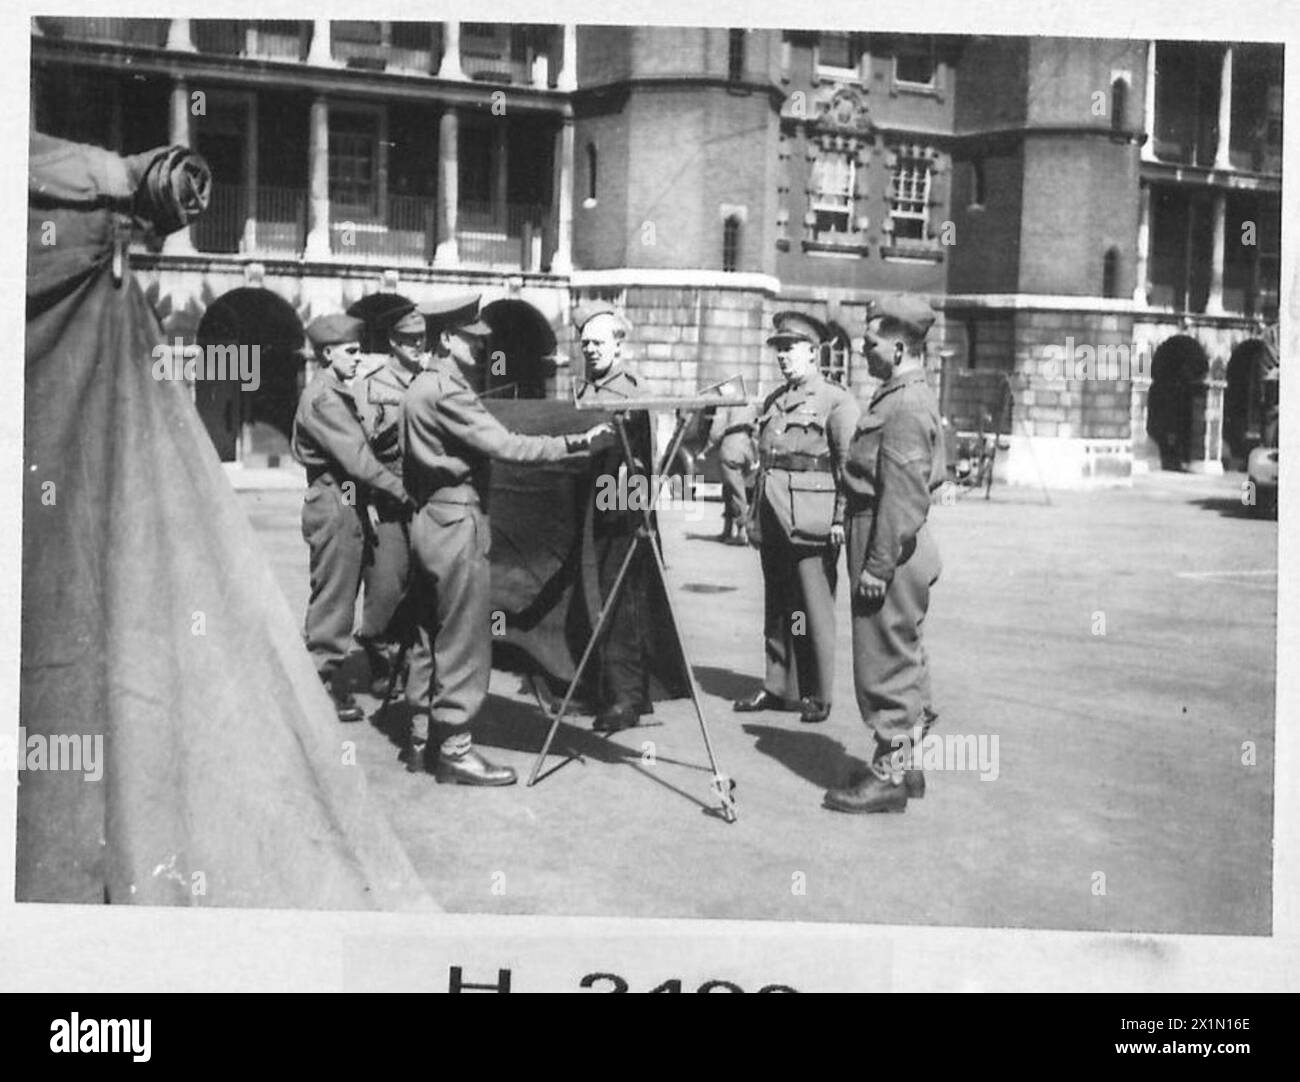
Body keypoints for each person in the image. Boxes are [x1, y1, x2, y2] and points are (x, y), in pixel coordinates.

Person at [401, 294, 611, 786]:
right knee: (465, 638)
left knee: (428, 635)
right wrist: (574, 443)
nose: (479, 348)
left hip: (428, 518)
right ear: (447, 339)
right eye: (471, 340)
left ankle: (418, 739)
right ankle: (455, 750)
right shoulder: (449, 391)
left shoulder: (419, 384)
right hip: (457, 523)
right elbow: (506, 445)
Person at [824, 294, 945, 815]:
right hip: (886, 536)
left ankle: (888, 776)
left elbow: (903, 493)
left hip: (885, 539)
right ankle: (904, 765)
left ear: (898, 347)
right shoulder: (895, 395)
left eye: (870, 340)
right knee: (903, 650)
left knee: (883, 658)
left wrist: (876, 566)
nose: (862, 348)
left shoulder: (905, 405)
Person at [733, 311, 858, 726]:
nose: (783, 357)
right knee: (781, 606)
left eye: (791, 349)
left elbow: (848, 468)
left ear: (814, 352)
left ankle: (816, 693)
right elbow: (762, 462)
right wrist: (751, 515)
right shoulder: (775, 401)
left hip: (812, 519)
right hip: (773, 517)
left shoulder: (837, 401)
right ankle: (778, 684)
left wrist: (841, 518)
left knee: (812, 608)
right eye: (779, 350)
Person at [291, 313, 415, 721]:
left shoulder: (337, 390)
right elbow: (358, 460)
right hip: (334, 502)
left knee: (356, 588)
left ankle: (341, 674)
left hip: (348, 499)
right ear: (327, 354)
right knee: (335, 598)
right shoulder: (325, 398)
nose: (359, 358)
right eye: (352, 351)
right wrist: (402, 492)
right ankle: (318, 686)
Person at [573, 302, 658, 732]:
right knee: (597, 598)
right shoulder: (588, 388)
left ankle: (627, 697)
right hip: (591, 510)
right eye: (584, 342)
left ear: (618, 346)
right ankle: (606, 686)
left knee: (619, 601)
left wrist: (631, 519)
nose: (589, 349)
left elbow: (639, 461)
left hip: (618, 512)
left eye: (598, 342)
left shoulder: (630, 390)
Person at [350, 303, 425, 697]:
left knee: (422, 591)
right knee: (384, 591)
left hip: (426, 502)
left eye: (421, 340)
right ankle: (379, 658)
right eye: (409, 340)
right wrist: (364, 503)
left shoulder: (430, 381)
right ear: (393, 342)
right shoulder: (370, 386)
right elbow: (357, 451)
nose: (417, 347)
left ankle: (407, 670)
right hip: (388, 502)